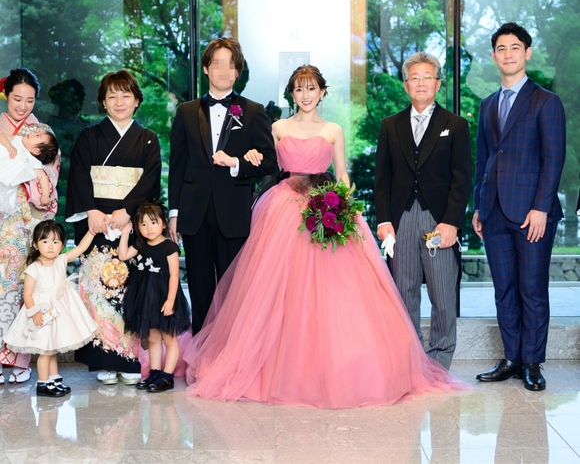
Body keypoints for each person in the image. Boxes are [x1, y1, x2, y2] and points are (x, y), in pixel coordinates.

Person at [181, 65, 466, 409]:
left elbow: (342, 174)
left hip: (326, 205)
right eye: (299, 89)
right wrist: (248, 157)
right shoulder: (277, 128)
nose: (306, 95)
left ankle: (337, 368)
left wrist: (343, 208)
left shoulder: (333, 130)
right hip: (283, 211)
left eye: (312, 88)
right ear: (292, 94)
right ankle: (280, 367)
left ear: (322, 92)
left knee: (336, 294)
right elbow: (267, 165)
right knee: (278, 292)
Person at [473, 22, 566, 391]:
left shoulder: (546, 102)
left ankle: (532, 362)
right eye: (501, 48)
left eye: (514, 47)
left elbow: (553, 159)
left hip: (532, 214)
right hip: (494, 211)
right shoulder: (488, 105)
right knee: (504, 289)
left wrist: (541, 207)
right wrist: (479, 207)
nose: (508, 54)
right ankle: (511, 358)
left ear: (527, 53)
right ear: (494, 56)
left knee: (532, 289)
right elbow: (484, 159)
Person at [168, 37, 278, 334]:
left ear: (237, 72)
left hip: (234, 214)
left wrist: (237, 163)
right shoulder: (186, 112)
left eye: (230, 65)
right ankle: (201, 350)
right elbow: (177, 166)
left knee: (234, 291)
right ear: (206, 68)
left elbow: (270, 163)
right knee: (200, 288)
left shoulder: (253, 111)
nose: (223, 70)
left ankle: (231, 350)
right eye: (216, 63)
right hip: (194, 214)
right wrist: (174, 213)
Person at [374, 52, 471, 369]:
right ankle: (409, 361)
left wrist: (452, 223)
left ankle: (440, 362)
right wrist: (384, 221)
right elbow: (382, 179)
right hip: (401, 219)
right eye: (414, 77)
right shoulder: (390, 126)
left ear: (438, 84)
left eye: (427, 77)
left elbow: (461, 179)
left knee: (442, 294)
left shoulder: (455, 125)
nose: (420, 83)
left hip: (438, 220)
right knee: (404, 293)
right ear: (405, 85)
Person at [66, 69, 161, 385]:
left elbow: (150, 180)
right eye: (112, 96)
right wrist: (91, 211)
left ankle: (130, 360)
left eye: (125, 95)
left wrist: (128, 212)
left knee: (130, 289)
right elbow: (79, 176)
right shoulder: (88, 137)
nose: (119, 102)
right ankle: (103, 359)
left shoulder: (148, 139)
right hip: (96, 223)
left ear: (137, 101)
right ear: (103, 102)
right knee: (98, 290)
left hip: (129, 224)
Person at [0, 68, 60, 385]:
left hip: (27, 225)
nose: (23, 106)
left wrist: (32, 178)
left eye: (30, 100)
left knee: (27, 291)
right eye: (17, 99)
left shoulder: (42, 132)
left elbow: (50, 176)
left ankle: (20, 359)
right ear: (6, 96)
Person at [3, 221, 98, 397]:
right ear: (35, 244)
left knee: (52, 348)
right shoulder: (33, 268)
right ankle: (43, 383)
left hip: (59, 311)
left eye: (55, 242)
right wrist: (34, 313)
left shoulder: (60, 260)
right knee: (45, 350)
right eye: (45, 241)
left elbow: (80, 249)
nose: (51, 246)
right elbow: (28, 295)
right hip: (42, 312)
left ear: (62, 245)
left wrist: (91, 232)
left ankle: (54, 379)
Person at [118, 202, 191, 393]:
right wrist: (125, 234)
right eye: (143, 224)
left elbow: (174, 275)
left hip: (165, 297)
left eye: (153, 222)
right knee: (153, 338)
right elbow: (123, 255)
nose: (149, 228)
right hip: (145, 298)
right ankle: (155, 372)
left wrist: (170, 300)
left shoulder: (169, 247)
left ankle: (167, 376)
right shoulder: (140, 244)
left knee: (169, 338)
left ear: (163, 224)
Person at [0, 125, 59, 215]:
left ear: (36, 150)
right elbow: (2, 135)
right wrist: (9, 146)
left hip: (5, 184)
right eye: (36, 133)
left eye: (37, 136)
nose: (32, 133)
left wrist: (45, 196)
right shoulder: (17, 139)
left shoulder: (33, 161)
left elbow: (43, 178)